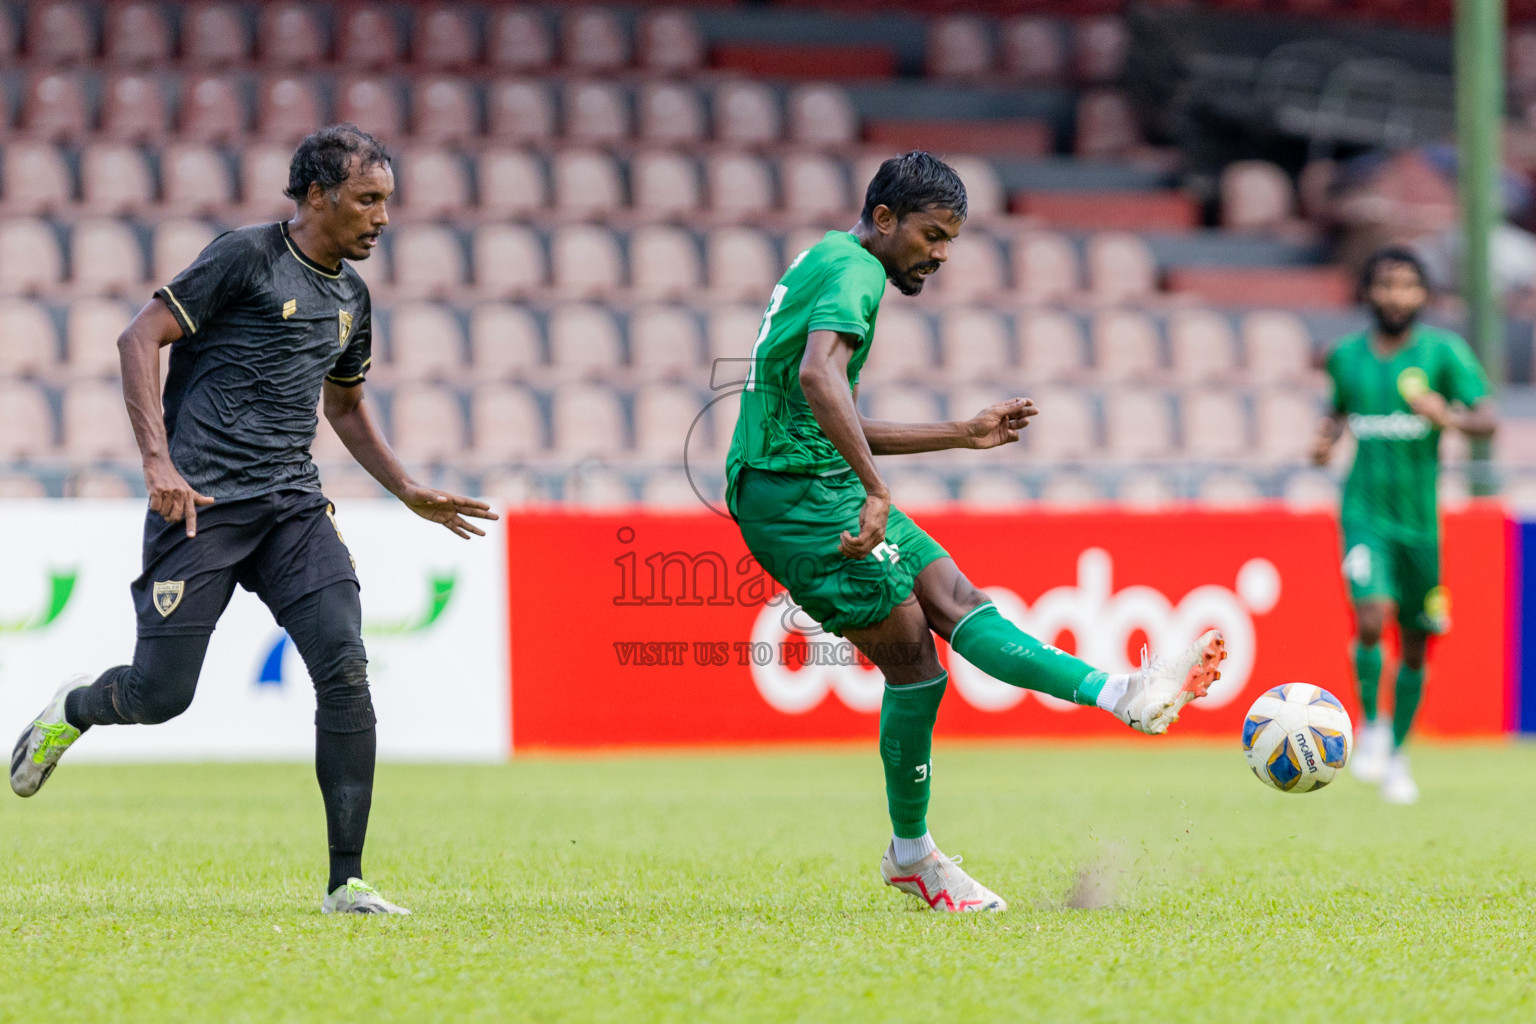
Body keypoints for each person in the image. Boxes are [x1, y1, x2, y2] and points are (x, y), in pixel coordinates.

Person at [9, 124, 498, 913]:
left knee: (344, 662)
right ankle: (74, 707)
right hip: (199, 506)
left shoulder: (352, 297)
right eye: (367, 200)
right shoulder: (245, 256)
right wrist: (158, 464)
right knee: (160, 695)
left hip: (292, 507)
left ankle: (347, 881)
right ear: (316, 195)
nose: (381, 218)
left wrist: (407, 489)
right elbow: (140, 338)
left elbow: (344, 404)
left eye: (387, 203)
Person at [723, 151, 1227, 912]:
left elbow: (827, 411)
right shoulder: (855, 273)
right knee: (918, 665)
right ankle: (914, 855)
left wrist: (961, 433)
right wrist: (874, 487)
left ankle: (1121, 694)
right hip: (793, 496)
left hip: (806, 474)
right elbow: (819, 381)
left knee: (956, 599)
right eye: (932, 234)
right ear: (885, 219)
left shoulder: (829, 259)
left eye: (951, 238)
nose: (942, 253)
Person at [1312, 245, 1496, 805]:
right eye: (1386, 284)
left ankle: (1395, 753)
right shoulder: (1345, 356)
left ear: (1423, 294)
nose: (1396, 295)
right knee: (1371, 616)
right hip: (1364, 513)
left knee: (1415, 644)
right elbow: (1338, 413)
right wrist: (1324, 441)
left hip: (1420, 525)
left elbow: (1486, 419)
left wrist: (1451, 417)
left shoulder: (1444, 353)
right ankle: (1369, 727)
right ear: (1368, 292)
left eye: (1408, 285)